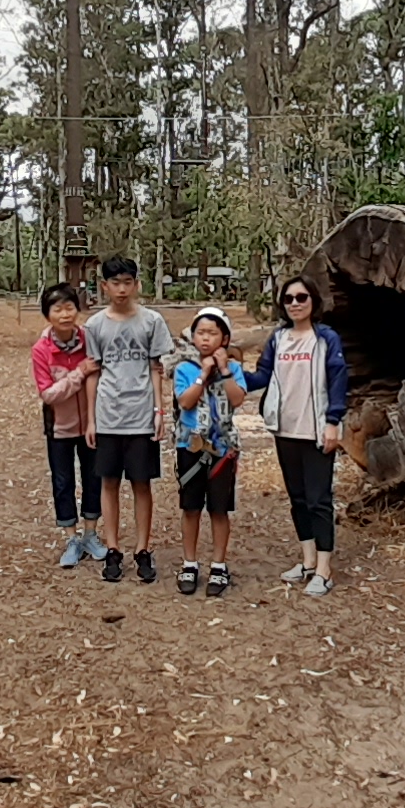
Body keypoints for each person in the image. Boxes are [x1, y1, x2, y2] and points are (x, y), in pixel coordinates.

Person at [246, 274, 350, 594]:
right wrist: (229, 375)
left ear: (313, 301)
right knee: (298, 499)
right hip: (285, 430)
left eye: (301, 298)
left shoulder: (325, 338)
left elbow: (338, 379)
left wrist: (333, 421)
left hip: (317, 430)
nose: (294, 304)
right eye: (288, 299)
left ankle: (324, 569)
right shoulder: (279, 339)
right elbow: (263, 375)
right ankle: (307, 561)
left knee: (319, 500)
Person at [81, 254, 176, 583]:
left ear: (137, 284)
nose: (121, 289)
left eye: (127, 282)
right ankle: (112, 549)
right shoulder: (95, 325)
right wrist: (91, 419)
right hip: (109, 414)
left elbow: (156, 369)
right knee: (108, 482)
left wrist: (159, 411)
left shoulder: (152, 321)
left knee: (141, 482)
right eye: (115, 283)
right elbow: (93, 372)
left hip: (141, 415)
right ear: (104, 286)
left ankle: (142, 549)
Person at [172, 306, 248, 597]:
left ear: (224, 338)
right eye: (200, 333)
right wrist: (203, 374)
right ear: (192, 337)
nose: (205, 338)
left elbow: (237, 399)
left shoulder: (234, 369)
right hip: (190, 444)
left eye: (212, 333)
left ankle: (219, 564)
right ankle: (189, 562)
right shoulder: (184, 368)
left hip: (223, 448)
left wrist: (224, 370)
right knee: (191, 507)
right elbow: (185, 402)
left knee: (219, 508)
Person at [33, 283, 104, 566]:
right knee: (63, 481)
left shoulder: (90, 340)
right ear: (47, 315)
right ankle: (71, 538)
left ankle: (91, 534)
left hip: (91, 424)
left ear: (77, 309)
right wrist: (78, 373)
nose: (65, 314)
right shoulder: (42, 350)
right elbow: (48, 394)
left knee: (94, 478)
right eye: (57, 309)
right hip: (59, 426)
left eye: (69, 307)